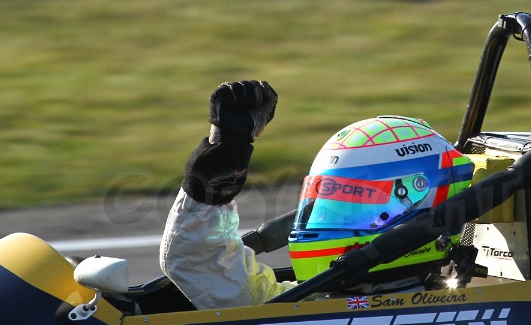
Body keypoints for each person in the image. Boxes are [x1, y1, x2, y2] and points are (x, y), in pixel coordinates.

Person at [160, 80, 477, 310]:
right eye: (328, 201)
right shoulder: (315, 306)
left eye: (356, 204)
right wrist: (218, 171)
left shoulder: (474, 307)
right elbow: (198, 262)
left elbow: (196, 268)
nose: (329, 217)